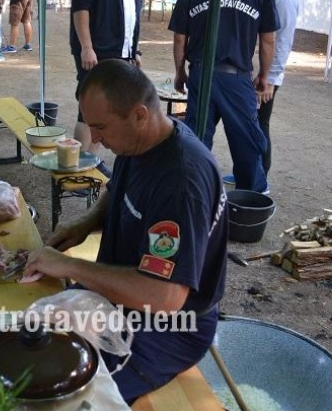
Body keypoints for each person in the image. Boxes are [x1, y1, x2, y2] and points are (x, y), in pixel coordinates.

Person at [24, 59, 228, 404]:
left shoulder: (181, 183)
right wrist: (84, 222)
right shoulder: (141, 142)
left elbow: (165, 298)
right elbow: (119, 188)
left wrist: (70, 266)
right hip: (122, 302)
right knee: (33, 341)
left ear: (139, 114)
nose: (97, 141)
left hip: (169, 328)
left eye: (101, 128)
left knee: (72, 394)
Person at [168, 0, 278, 194]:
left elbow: (179, 39)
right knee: (246, 140)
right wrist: (264, 75)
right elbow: (268, 40)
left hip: (202, 75)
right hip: (236, 77)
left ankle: (192, 190)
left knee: (197, 139)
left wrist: (180, 72)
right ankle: (251, 195)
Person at [70, 0, 156, 177]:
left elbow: (129, 10)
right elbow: (81, 6)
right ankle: (75, 169)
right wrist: (86, 46)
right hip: (97, 52)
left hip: (121, 52)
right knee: (89, 110)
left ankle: (90, 165)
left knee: (107, 113)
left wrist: (134, 50)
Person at [238, 0, 300, 178]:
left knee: (261, 124)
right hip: (263, 73)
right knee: (251, 122)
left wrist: (271, 78)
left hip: (270, 76)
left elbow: (282, 42)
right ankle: (250, 170)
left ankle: (260, 174)